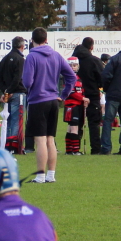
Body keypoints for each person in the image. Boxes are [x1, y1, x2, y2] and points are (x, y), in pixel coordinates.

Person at [22, 27, 76, 183]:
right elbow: (71, 77)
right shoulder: (57, 55)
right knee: (50, 139)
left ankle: (40, 176)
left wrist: (30, 86)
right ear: (46, 39)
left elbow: (27, 81)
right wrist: (63, 95)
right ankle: (51, 175)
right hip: (53, 101)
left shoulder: (31, 57)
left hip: (38, 101)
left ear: (32, 40)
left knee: (40, 140)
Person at [71, 38, 104, 154]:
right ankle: (95, 149)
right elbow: (102, 78)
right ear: (92, 47)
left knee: (76, 123)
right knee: (94, 123)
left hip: (77, 95)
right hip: (92, 95)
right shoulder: (94, 61)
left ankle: (74, 148)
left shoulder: (74, 60)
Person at [0, 36, 27, 142]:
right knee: (16, 120)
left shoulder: (5, 58)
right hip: (18, 93)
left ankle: (6, 142)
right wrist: (10, 91)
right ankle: (14, 143)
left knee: (7, 120)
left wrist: (5, 91)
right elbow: (17, 78)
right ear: (22, 46)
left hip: (7, 95)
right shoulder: (20, 59)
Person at [63, 57, 89, 155]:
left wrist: (84, 99)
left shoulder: (78, 78)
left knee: (71, 127)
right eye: (71, 66)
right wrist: (83, 99)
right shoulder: (69, 77)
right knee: (74, 127)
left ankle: (69, 150)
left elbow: (80, 91)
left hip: (76, 105)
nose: (73, 67)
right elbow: (71, 92)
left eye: (75, 65)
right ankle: (75, 150)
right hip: (72, 105)